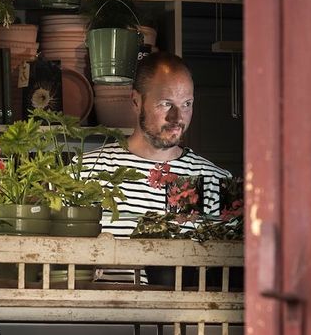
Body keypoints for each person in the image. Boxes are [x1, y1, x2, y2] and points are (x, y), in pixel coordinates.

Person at [81, 52, 232, 239]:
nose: (177, 118)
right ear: (136, 101)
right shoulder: (86, 173)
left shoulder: (215, 181)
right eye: (166, 104)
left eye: (186, 104)